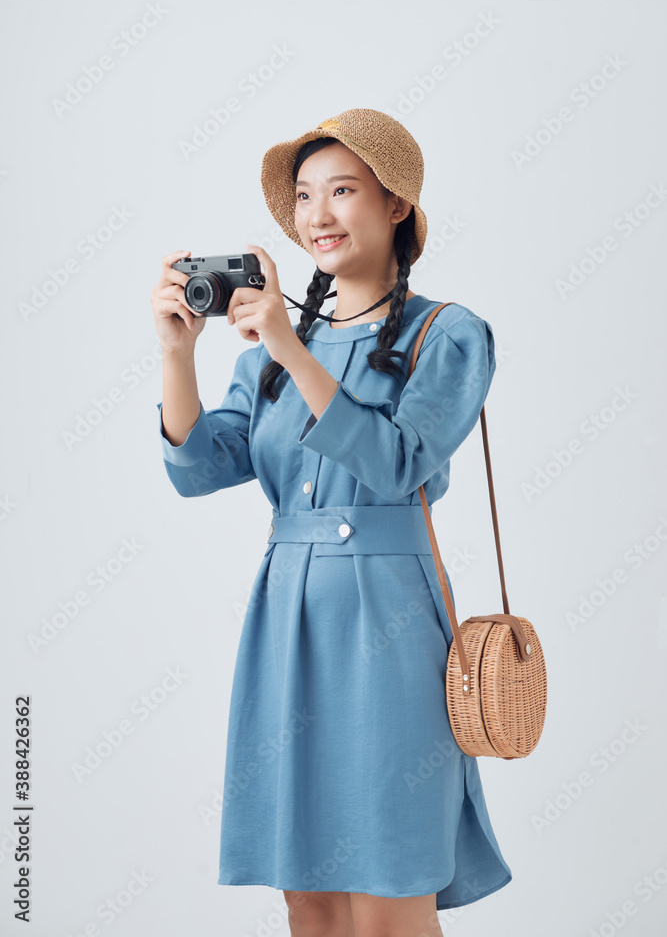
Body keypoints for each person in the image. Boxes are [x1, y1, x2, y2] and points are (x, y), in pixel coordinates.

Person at [150, 108, 512, 937]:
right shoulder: (268, 352)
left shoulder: (447, 334)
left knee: (388, 886)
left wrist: (287, 347)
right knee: (307, 896)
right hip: (287, 619)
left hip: (387, 619)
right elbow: (199, 469)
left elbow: (393, 462)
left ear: (394, 205)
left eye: (342, 190)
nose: (316, 215)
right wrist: (176, 352)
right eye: (304, 195)